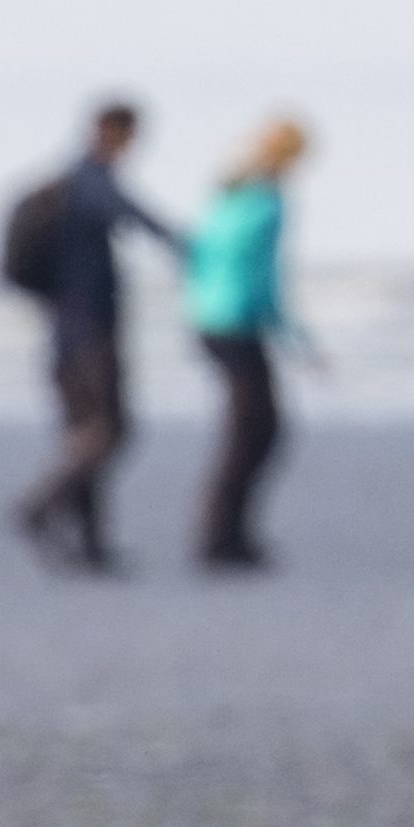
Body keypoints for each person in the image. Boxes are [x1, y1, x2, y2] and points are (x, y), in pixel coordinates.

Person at [8, 97, 173, 573]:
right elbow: (135, 216)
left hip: (61, 327)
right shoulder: (90, 182)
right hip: (90, 330)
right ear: (117, 133)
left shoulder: (61, 185)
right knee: (109, 431)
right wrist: (188, 246)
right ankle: (40, 507)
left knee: (83, 433)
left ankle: (92, 543)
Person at [179, 114, 313, 570]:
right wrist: (292, 335)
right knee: (257, 432)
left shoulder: (227, 192)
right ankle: (220, 533)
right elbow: (264, 275)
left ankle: (228, 532)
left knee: (249, 429)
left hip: (207, 318)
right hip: (240, 322)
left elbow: (196, 254)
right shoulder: (269, 202)